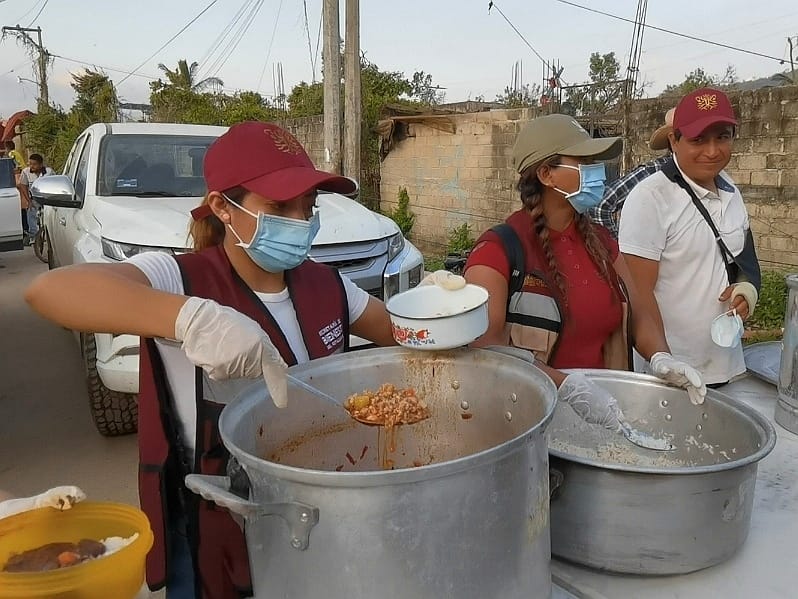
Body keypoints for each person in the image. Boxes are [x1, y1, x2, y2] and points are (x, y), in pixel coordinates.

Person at [25, 121, 400, 598]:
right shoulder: (178, 276)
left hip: (321, 505)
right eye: (280, 207)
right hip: (221, 521)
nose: (301, 223)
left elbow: (394, 332)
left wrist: (442, 314)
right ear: (223, 206)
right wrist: (190, 319)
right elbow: (51, 291)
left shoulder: (327, 284)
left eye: (309, 208)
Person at [464, 114, 706, 430]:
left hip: (603, 419)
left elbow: (641, 314)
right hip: (526, 423)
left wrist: (661, 357)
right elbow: (485, 347)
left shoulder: (604, 244)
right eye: (585, 160)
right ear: (547, 174)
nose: (598, 170)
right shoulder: (499, 249)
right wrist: (566, 386)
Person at [619, 88, 760, 387]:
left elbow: (744, 262)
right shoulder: (651, 198)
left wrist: (747, 292)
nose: (712, 151)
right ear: (674, 140)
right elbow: (637, 297)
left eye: (722, 137)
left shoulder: (732, 192)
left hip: (728, 365)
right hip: (670, 376)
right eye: (698, 140)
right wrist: (663, 361)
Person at [589, 108, 675, 238]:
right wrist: (615, 249)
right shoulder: (655, 171)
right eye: (697, 140)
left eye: (718, 137)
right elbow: (601, 206)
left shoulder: (715, 179)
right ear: (673, 142)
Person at [19, 153, 54, 245]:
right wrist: (29, 201)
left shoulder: (49, 172)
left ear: (41, 164)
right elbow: (23, 185)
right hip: (34, 199)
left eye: (34, 164)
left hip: (47, 199)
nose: (31, 166)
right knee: (31, 212)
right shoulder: (26, 172)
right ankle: (33, 237)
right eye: (30, 164)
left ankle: (49, 235)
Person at [4, 141, 29, 240]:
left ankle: (25, 230)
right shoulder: (17, 153)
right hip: (22, 176)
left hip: (18, 177)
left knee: (21, 207)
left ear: (7, 148)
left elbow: (13, 166)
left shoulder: (12, 154)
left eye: (5, 149)